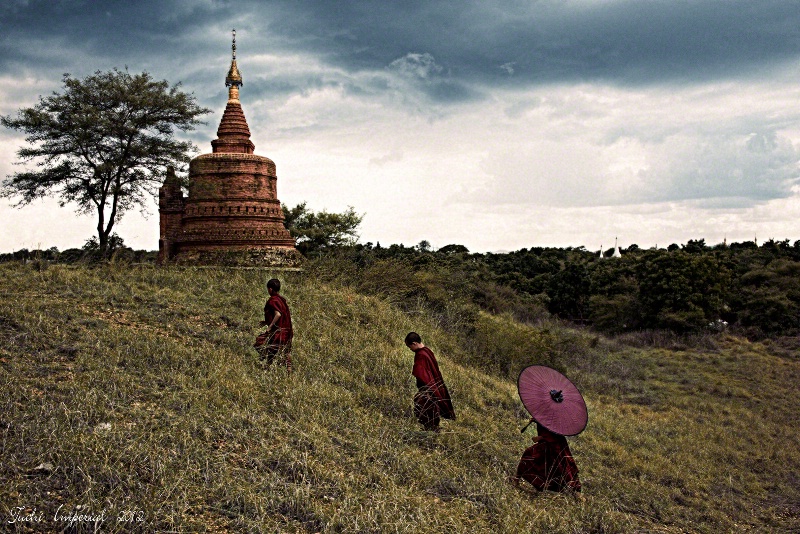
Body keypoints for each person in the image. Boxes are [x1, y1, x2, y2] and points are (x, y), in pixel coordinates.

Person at [404, 332, 455, 432]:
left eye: (409, 346)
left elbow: (421, 372)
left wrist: (426, 387)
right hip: (431, 384)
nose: (410, 349)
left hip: (427, 386)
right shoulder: (427, 351)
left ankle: (431, 428)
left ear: (414, 343)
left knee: (426, 405)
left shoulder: (421, 355)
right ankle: (432, 427)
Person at [512, 420, 581, 493]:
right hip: (550, 444)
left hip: (554, 445)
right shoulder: (546, 413)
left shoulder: (555, 416)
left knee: (561, 468)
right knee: (551, 466)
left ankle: (576, 492)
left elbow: (554, 430)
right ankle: (517, 479)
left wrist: (541, 437)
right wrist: (537, 420)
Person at [254, 278, 293, 373]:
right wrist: (266, 321)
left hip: (278, 330)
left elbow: (278, 314)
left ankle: (266, 367)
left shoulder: (273, 300)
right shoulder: (281, 300)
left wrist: (270, 326)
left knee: (261, 343)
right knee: (285, 350)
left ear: (270, 289)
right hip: (287, 329)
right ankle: (289, 369)